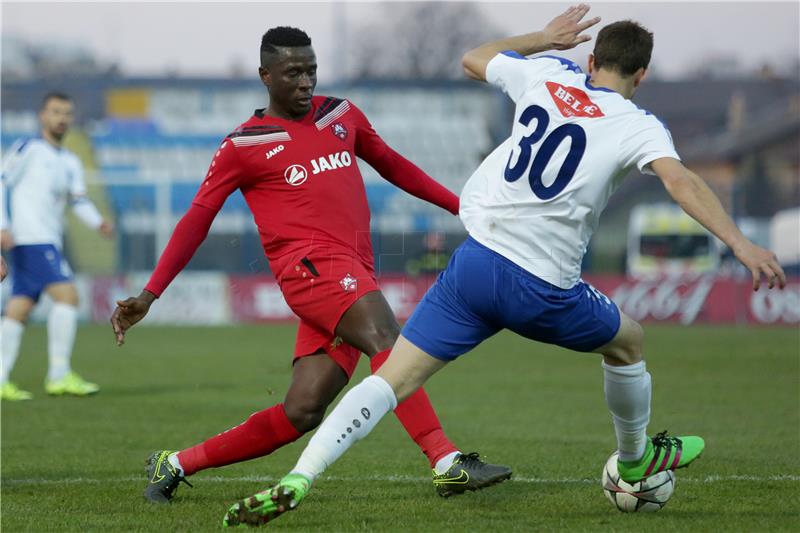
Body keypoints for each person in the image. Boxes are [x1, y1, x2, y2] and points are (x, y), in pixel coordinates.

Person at [222, 6, 787, 527]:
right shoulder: (639, 123)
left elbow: (473, 57)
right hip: (541, 285)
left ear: (590, 61)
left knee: (390, 378)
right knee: (629, 342)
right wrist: (739, 243)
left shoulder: (549, 76)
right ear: (641, 76)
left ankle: (301, 476)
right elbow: (681, 181)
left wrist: (543, 39)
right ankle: (636, 459)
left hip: (474, 266)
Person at [110, 26, 511, 505]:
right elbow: (197, 219)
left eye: (311, 70)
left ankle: (174, 463)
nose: (305, 82)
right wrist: (150, 294)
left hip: (352, 269)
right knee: (387, 338)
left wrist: (460, 208)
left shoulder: (341, 114)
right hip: (310, 272)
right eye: (293, 73)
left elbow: (394, 165)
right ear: (265, 76)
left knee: (302, 411)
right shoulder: (244, 144)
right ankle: (445, 461)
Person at [0, 92, 114, 401]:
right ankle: (59, 374)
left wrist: (97, 223)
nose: (61, 118)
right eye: (55, 112)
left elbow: (77, 200)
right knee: (68, 296)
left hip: (47, 239)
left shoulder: (70, 161)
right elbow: (1, 181)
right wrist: (2, 224)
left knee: (19, 308)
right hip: (31, 238)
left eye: (66, 112)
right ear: (42, 116)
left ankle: (0, 379)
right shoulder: (29, 149)